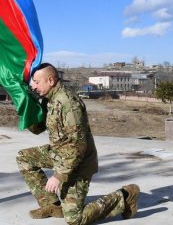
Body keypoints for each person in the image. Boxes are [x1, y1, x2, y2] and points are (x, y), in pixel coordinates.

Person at [16, 63, 139, 224]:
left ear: (51, 80)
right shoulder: (50, 99)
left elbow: (77, 146)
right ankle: (52, 204)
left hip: (79, 164)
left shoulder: (68, 103)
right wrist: (25, 109)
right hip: (59, 154)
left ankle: (124, 196)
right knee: (24, 157)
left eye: (37, 82)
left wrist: (58, 176)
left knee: (75, 219)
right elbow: (38, 128)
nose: (34, 86)